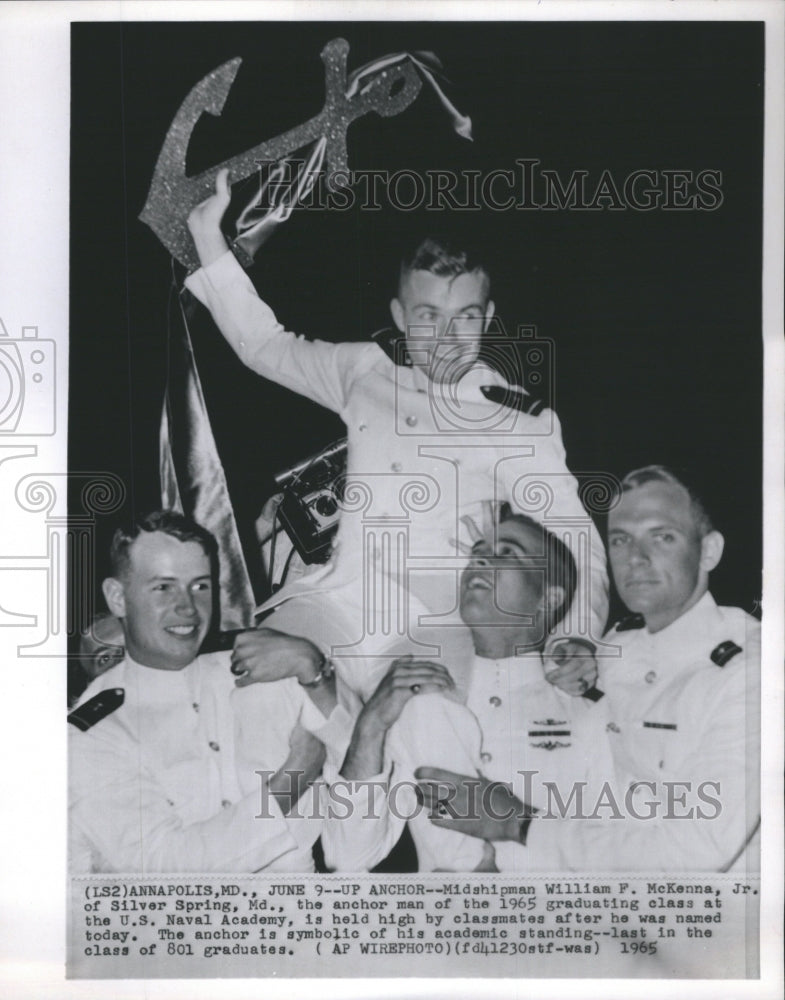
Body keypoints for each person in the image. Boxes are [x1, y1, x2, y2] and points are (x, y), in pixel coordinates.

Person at [183, 169, 608, 699]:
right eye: (430, 316)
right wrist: (207, 235)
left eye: (466, 317)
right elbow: (267, 347)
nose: (449, 339)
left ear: (489, 318)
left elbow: (574, 535)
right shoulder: (366, 371)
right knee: (257, 689)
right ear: (401, 316)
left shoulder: (515, 419)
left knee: (430, 734)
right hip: (336, 603)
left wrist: (576, 636)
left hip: (436, 624)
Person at [416, 466, 761, 872]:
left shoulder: (752, 671)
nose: (637, 559)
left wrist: (515, 822)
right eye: (621, 540)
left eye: (663, 537)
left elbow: (696, 851)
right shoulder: (619, 646)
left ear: (708, 551)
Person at [323, 505, 612, 872]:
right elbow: (346, 855)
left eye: (508, 554)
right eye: (477, 555)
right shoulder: (413, 702)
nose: (481, 562)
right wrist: (370, 726)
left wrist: (516, 821)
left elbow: (623, 858)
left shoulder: (590, 717)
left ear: (549, 598)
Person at [68, 510, 355, 873]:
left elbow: (361, 828)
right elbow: (166, 868)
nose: (187, 607)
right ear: (118, 598)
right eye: (163, 587)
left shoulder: (263, 669)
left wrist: (317, 674)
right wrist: (296, 773)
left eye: (200, 586)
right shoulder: (92, 730)